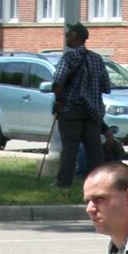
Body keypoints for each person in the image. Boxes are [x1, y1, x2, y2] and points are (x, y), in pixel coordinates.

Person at [49, 22, 109, 189]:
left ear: (77, 37)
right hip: (93, 111)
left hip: (71, 110)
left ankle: (63, 183)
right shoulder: (97, 59)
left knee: (69, 148)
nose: (66, 36)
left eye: (69, 33)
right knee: (95, 150)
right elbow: (106, 86)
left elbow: (57, 82)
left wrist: (60, 101)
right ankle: (101, 184)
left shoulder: (69, 57)